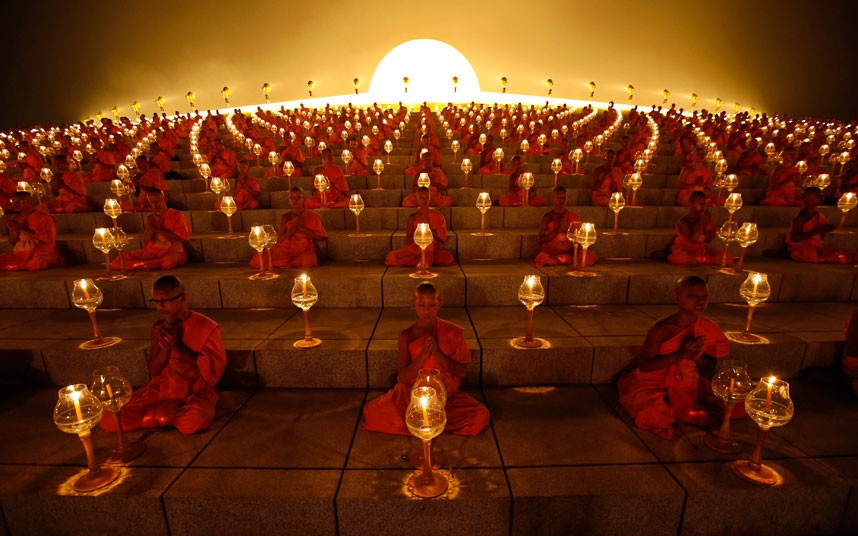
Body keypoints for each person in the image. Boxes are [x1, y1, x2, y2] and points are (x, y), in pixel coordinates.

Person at [100, 275, 226, 434]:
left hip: (196, 388)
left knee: (194, 420)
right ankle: (168, 416)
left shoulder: (207, 327)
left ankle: (158, 416)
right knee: (110, 419)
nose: (161, 306)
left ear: (183, 298)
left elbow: (213, 373)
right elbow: (154, 370)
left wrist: (178, 346)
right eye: (156, 302)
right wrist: (166, 347)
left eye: (166, 301)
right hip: (163, 387)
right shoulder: (158, 328)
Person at [362, 282, 490, 436]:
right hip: (412, 395)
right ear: (414, 304)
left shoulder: (452, 332)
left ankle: (422, 424)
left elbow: (461, 373)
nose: (427, 310)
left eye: (432, 305)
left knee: (481, 415)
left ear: (439, 304)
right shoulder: (407, 336)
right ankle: (435, 424)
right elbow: (403, 377)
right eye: (421, 305)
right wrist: (423, 355)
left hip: (445, 396)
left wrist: (437, 353)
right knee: (374, 413)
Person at [618, 276, 730, 440]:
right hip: (652, 382)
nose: (699, 301)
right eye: (692, 296)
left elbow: (710, 364)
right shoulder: (661, 329)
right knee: (653, 415)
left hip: (686, 381)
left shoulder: (708, 328)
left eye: (704, 296)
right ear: (677, 298)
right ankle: (672, 406)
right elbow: (644, 366)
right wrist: (680, 356)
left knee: (732, 406)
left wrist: (696, 358)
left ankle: (677, 405)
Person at [113, 188, 191, 270]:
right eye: (151, 202)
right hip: (152, 252)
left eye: (157, 201)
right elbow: (146, 242)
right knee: (118, 262)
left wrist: (159, 230)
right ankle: (147, 264)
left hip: (171, 251)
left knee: (168, 261)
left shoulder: (178, 215)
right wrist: (150, 228)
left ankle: (147, 265)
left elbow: (183, 238)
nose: (154, 205)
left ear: (165, 200)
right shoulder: (150, 219)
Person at [251, 186, 325, 269]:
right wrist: (290, 232)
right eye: (292, 198)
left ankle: (288, 263)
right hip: (286, 248)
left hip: (304, 248)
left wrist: (302, 229)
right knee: (258, 259)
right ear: (289, 200)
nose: (295, 200)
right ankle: (289, 263)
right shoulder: (286, 217)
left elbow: (320, 237)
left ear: (303, 199)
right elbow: (279, 239)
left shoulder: (312, 216)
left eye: (298, 197)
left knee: (308, 259)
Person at [386, 187, 455, 268]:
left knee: (443, 254)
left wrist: (428, 227)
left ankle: (424, 261)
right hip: (416, 249)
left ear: (430, 198)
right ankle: (424, 260)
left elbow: (442, 239)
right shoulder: (412, 217)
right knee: (391, 258)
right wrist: (418, 239)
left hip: (432, 248)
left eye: (426, 197)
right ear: (417, 199)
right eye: (421, 198)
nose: (424, 200)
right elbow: (408, 241)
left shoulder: (438, 216)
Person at [786, 187, 856, 263]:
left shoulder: (819, 215)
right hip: (801, 247)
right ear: (805, 198)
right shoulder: (801, 217)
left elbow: (820, 237)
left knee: (847, 252)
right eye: (817, 196)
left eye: (821, 196)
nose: (821, 198)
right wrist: (818, 230)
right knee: (810, 255)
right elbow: (794, 238)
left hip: (815, 247)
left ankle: (825, 257)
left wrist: (826, 229)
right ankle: (825, 258)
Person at [533, 186, 597, 266]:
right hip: (551, 251)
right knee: (542, 258)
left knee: (591, 256)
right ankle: (563, 259)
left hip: (568, 251)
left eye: (563, 198)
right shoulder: (547, 217)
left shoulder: (573, 216)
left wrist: (573, 250)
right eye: (559, 198)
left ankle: (564, 259)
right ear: (553, 199)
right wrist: (558, 231)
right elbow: (540, 240)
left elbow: (577, 239)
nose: (561, 200)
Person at [0, 191, 64, 271]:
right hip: (23, 253)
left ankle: (20, 266)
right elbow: (13, 242)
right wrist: (14, 230)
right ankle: (21, 265)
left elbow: (50, 239)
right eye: (14, 202)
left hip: (42, 252)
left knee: (37, 262)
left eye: (22, 201)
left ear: (31, 202)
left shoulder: (45, 217)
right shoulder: (16, 218)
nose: (17, 204)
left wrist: (22, 229)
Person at [667, 191, 725, 265]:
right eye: (701, 204)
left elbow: (708, 239)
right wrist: (701, 223)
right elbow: (692, 239)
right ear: (691, 203)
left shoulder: (705, 218)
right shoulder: (683, 222)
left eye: (705, 204)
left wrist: (710, 232)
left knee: (726, 257)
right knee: (678, 259)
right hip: (686, 251)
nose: (704, 207)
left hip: (701, 251)